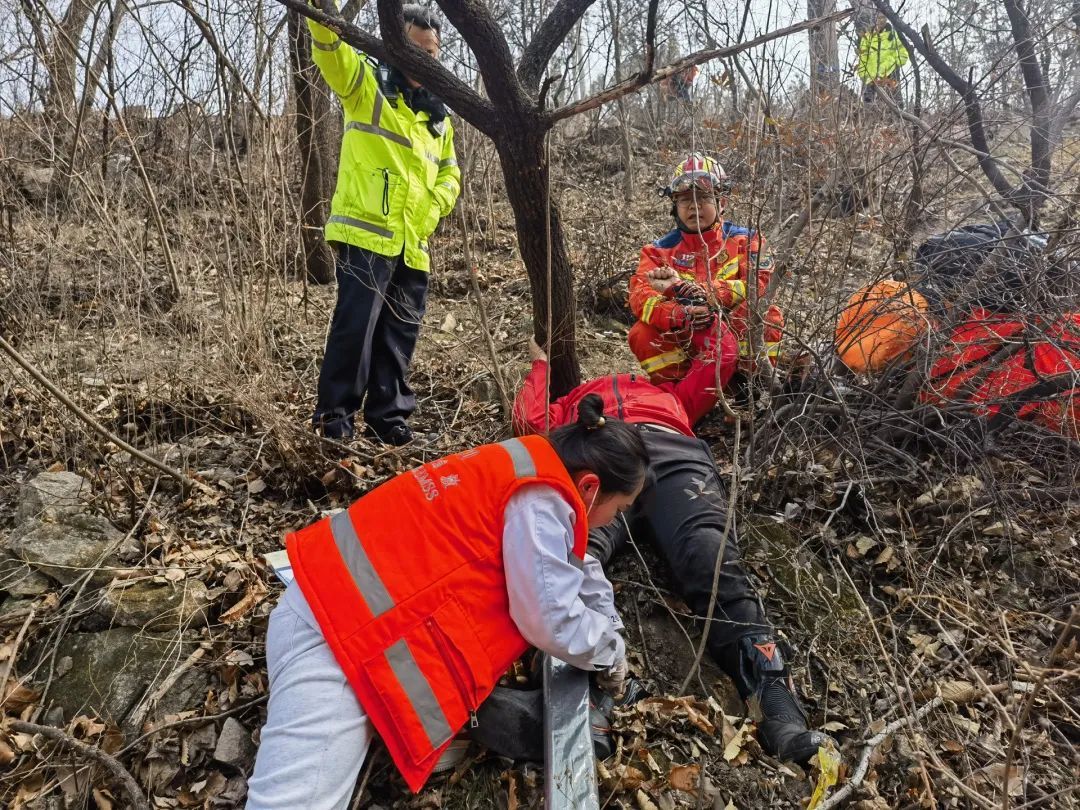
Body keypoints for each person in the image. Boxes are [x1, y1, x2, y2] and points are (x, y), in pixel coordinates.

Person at [245, 399, 649, 808]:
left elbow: (575, 567)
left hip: (328, 605)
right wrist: (609, 653)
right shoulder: (542, 501)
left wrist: (608, 625)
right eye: (620, 509)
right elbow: (548, 619)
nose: (614, 520)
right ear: (591, 487)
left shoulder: (524, 465)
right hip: (337, 642)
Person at [514, 339, 831, 766]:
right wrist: (539, 368)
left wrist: (700, 313)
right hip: (598, 464)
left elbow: (722, 356)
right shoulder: (574, 405)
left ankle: (774, 699)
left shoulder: (670, 393)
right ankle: (581, 696)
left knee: (708, 550)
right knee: (574, 551)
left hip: (671, 453)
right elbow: (528, 421)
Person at [307, 5, 461, 445]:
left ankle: (387, 417)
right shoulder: (366, 86)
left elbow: (451, 174)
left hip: (413, 242)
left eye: (430, 53)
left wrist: (432, 210)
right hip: (367, 235)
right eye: (413, 49)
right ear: (394, 45)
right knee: (355, 328)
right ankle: (334, 417)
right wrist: (321, 9)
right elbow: (329, 48)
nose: (422, 60)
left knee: (399, 335)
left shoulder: (438, 117)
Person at [628, 153, 784, 384]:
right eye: (684, 199)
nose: (693, 206)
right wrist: (679, 315)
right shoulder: (657, 251)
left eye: (703, 197)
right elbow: (641, 298)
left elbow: (761, 285)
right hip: (684, 334)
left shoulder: (748, 240)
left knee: (767, 314)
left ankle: (750, 390)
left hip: (733, 330)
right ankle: (679, 396)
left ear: (722, 202)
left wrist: (709, 296)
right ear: (674, 205)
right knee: (642, 333)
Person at [855, 15, 909, 105]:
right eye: (878, 17)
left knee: (889, 109)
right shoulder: (868, 36)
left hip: (888, 79)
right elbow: (863, 57)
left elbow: (903, 55)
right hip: (870, 82)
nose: (880, 20)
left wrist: (891, 64)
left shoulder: (893, 36)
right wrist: (864, 75)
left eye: (883, 17)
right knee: (868, 109)